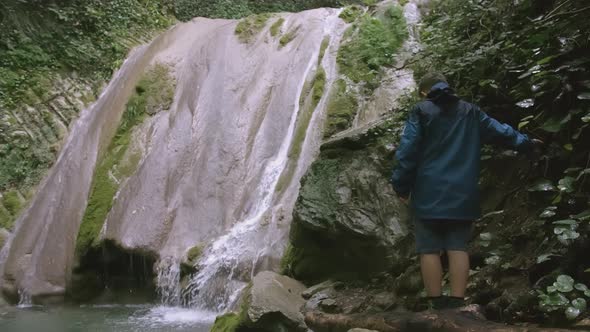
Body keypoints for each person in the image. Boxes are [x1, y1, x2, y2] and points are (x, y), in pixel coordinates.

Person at [390, 72, 542, 310]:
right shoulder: (470, 111)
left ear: (424, 92)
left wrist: (400, 184)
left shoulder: (421, 111)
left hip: (427, 191)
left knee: (429, 249)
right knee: (458, 246)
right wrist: (526, 143)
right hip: (462, 192)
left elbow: (408, 151)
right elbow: (500, 132)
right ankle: (458, 304)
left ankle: (436, 305)